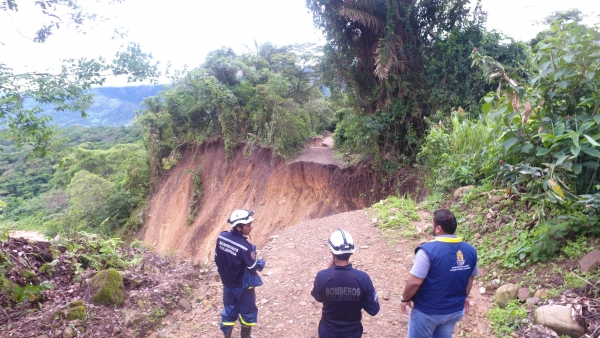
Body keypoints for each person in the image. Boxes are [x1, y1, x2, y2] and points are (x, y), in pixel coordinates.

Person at [400, 209, 478, 338]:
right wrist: (464, 296)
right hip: (454, 310)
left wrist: (405, 299)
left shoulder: (427, 251)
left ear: (438, 228)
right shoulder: (470, 251)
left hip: (428, 312)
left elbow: (414, 282)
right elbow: (470, 280)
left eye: (432, 223)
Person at [311, 229, 380, 338]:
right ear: (351, 252)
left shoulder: (322, 276)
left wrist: (328, 271)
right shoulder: (363, 278)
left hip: (328, 332)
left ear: (332, 252)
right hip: (352, 333)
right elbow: (373, 309)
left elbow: (318, 297)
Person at [215, 209, 265, 338]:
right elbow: (253, 268)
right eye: (248, 225)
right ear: (238, 227)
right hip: (241, 285)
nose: (251, 228)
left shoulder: (221, 237)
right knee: (248, 311)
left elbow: (217, 258)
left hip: (227, 283)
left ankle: (227, 336)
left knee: (229, 310)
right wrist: (259, 262)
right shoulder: (244, 246)